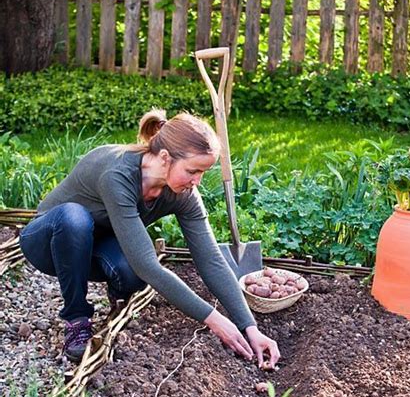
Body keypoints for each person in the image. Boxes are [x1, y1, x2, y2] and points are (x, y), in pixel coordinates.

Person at [19, 109, 280, 368]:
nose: (197, 181)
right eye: (192, 171)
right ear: (165, 158)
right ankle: (77, 319)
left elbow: (211, 260)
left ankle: (118, 291)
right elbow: (149, 266)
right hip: (47, 242)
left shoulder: (182, 194)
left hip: (96, 244)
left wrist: (249, 327)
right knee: (74, 218)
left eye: (202, 173)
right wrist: (213, 318)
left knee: (132, 273)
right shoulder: (117, 174)